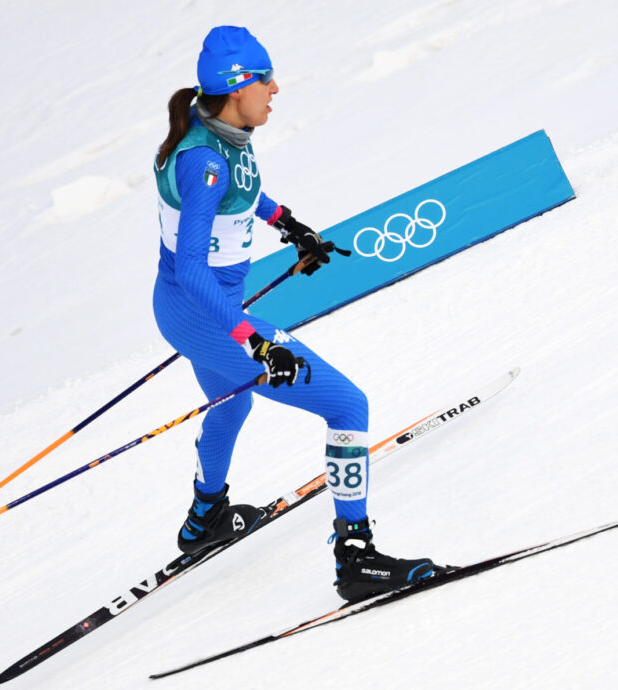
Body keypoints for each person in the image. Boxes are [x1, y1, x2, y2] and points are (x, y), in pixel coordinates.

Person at [151, 26, 444, 604]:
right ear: (238, 88)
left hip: (188, 312)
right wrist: (255, 343)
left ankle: (204, 517)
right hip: (207, 310)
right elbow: (192, 267)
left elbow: (246, 191)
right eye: (266, 79)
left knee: (233, 401)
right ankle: (355, 557)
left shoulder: (222, 133)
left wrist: (287, 224)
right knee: (347, 404)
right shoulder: (202, 164)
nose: (276, 89)